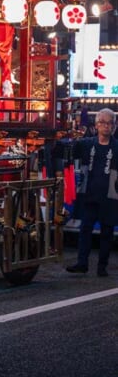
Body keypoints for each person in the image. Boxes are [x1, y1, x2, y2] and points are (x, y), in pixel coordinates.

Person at [66, 107, 118, 277]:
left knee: (107, 232)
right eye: (102, 122)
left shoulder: (117, 147)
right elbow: (68, 149)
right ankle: (82, 263)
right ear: (96, 125)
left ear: (114, 126)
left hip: (110, 196)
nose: (106, 126)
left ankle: (102, 267)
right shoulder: (87, 144)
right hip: (90, 194)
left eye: (110, 123)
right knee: (85, 229)